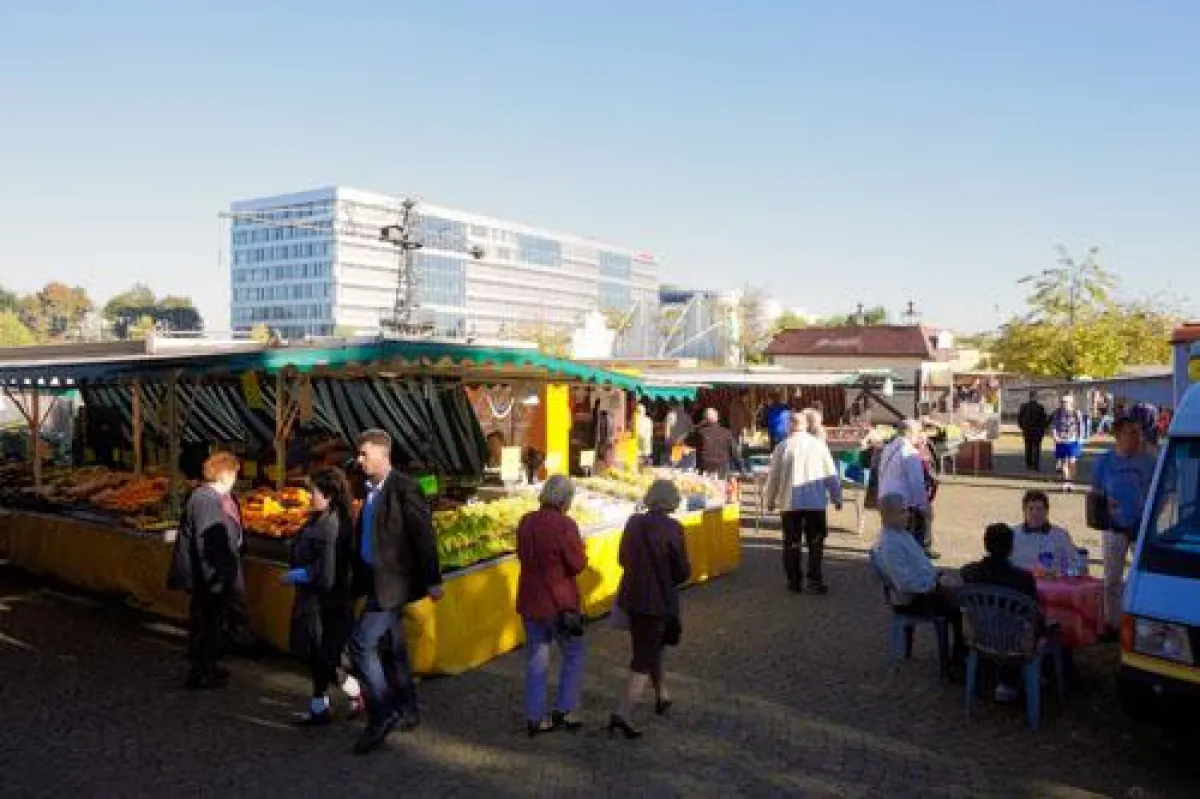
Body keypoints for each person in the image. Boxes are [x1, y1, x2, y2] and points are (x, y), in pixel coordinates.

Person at [348, 428, 445, 755]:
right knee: (392, 648)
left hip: (393, 583)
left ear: (382, 453)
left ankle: (381, 712)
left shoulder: (404, 488)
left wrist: (433, 579)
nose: (359, 460)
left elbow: (423, 536)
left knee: (361, 644)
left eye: (364, 454)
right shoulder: (369, 488)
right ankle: (407, 709)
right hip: (373, 579)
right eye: (359, 454)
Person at [280, 467, 364, 725]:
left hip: (324, 603)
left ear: (328, 494)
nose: (308, 496)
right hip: (316, 601)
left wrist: (300, 574)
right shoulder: (322, 517)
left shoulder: (331, 525)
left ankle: (328, 703)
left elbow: (326, 573)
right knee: (316, 654)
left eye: (313, 491)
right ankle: (344, 695)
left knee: (317, 654)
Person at [610, 479, 691, 740]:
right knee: (644, 657)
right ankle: (623, 712)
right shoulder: (674, 528)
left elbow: (622, 558)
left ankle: (662, 695)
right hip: (657, 601)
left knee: (648, 647)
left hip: (633, 597)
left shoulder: (634, 523)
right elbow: (681, 571)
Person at [167, 452, 249, 690]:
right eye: (234, 473)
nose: (236, 478)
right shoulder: (206, 500)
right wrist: (214, 579)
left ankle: (209, 665)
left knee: (213, 622)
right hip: (210, 576)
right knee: (207, 622)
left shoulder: (219, 497)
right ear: (224, 474)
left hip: (217, 572)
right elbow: (206, 544)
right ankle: (201, 670)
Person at [516, 475, 588, 737]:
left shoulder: (526, 521)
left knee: (537, 659)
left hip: (530, 598)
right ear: (565, 499)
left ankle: (535, 716)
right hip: (560, 602)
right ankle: (566, 708)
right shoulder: (565, 525)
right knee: (574, 653)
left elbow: (521, 555)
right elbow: (577, 564)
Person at [871, 492, 965, 670]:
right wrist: (935, 585)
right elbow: (905, 583)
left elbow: (921, 565)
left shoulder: (900, 534)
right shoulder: (890, 544)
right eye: (903, 511)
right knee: (961, 605)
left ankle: (962, 653)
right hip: (913, 599)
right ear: (889, 515)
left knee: (961, 592)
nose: (908, 515)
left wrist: (938, 576)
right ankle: (957, 660)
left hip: (924, 588)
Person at [961, 523, 1043, 702]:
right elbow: (1034, 613)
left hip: (981, 637)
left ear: (985, 544)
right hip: (1015, 642)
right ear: (1012, 547)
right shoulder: (1022, 578)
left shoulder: (970, 572)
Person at [764, 410, 843, 594]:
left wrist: (769, 500)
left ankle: (794, 581)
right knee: (815, 544)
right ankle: (814, 580)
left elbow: (773, 477)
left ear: (789, 425)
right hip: (815, 503)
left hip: (790, 503)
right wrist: (837, 496)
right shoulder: (819, 446)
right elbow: (831, 474)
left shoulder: (782, 447)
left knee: (792, 543)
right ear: (806, 425)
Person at [1091, 415, 1157, 633]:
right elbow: (1095, 492)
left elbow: (1164, 488)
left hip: (1143, 528)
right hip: (1113, 527)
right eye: (1133, 433)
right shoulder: (1104, 461)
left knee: (1144, 577)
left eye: (1139, 432)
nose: (1138, 437)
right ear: (1119, 435)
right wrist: (1104, 501)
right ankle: (1113, 624)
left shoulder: (1148, 461)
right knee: (1112, 579)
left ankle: (1144, 620)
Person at [877, 420, 934, 554]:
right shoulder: (909, 452)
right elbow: (916, 484)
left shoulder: (889, 447)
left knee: (890, 536)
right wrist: (924, 506)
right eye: (918, 431)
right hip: (902, 502)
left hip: (885, 498)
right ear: (909, 432)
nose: (920, 435)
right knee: (907, 541)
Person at [1009, 489, 1078, 572]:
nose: (1035, 513)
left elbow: (1075, 564)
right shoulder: (1012, 535)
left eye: (1039, 509)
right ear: (1024, 511)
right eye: (1030, 509)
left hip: (1052, 583)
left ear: (1046, 511)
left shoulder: (1061, 536)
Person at [685, 408, 737, 479]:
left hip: (704, 470)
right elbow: (735, 452)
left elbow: (687, 441)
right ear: (717, 418)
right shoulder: (727, 433)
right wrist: (742, 469)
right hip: (721, 470)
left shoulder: (699, 433)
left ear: (704, 420)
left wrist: (697, 426)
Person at [1049, 394, 1085, 492]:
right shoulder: (1057, 413)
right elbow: (1053, 426)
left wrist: (1080, 438)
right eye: (1062, 402)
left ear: (1071, 403)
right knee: (1064, 462)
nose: (1063, 404)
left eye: (1066, 402)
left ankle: (1071, 482)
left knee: (1072, 462)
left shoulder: (1076, 413)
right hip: (1061, 440)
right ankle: (1066, 482)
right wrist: (1055, 436)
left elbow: (1081, 426)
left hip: (1073, 440)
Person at [1017, 392, 1049, 471]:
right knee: (1037, 448)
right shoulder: (1040, 407)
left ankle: (1028, 465)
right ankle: (1036, 465)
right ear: (1035, 397)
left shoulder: (1024, 407)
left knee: (1028, 448)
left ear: (1029, 397)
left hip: (1027, 430)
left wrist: (1022, 427)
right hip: (1037, 431)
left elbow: (1019, 418)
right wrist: (1044, 428)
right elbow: (1043, 420)